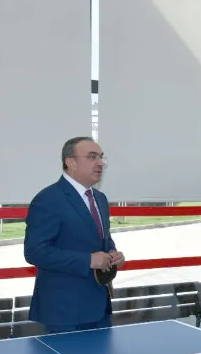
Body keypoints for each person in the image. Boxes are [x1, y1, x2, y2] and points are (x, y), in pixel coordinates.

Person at [24, 136, 126, 333]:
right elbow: (35, 252)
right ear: (71, 162)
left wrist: (113, 255)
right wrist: (88, 260)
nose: (100, 163)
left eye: (101, 157)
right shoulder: (48, 199)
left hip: (100, 310)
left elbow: (102, 240)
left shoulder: (100, 199)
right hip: (64, 313)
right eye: (92, 157)